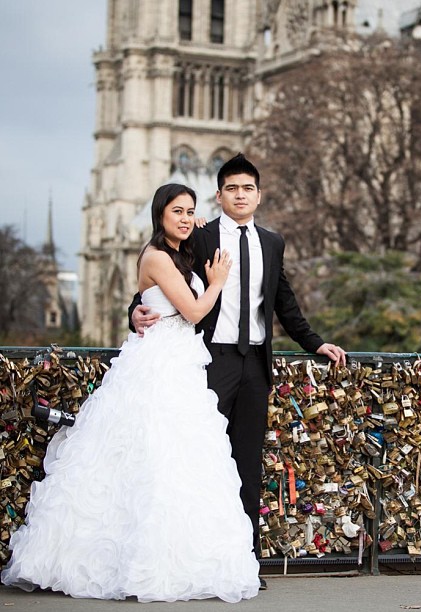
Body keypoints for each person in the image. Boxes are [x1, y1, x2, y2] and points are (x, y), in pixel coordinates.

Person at [1, 184, 260, 603]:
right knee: (147, 457)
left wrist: (141, 302)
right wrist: (217, 282)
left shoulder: (183, 252)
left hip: (181, 364)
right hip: (157, 363)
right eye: (176, 210)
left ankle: (174, 559)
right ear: (159, 214)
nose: (184, 218)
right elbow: (193, 311)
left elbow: (157, 300)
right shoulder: (156, 256)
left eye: (190, 211)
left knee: (178, 461)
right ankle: (135, 561)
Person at [130, 154, 346, 588]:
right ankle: (196, 561)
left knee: (247, 467)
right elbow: (161, 286)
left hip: (255, 367)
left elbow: (284, 300)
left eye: (248, 188)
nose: (240, 195)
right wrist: (134, 313)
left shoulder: (273, 241)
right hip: (209, 363)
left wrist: (314, 342)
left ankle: (244, 565)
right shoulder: (200, 237)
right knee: (203, 463)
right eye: (232, 188)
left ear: (259, 195)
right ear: (220, 195)